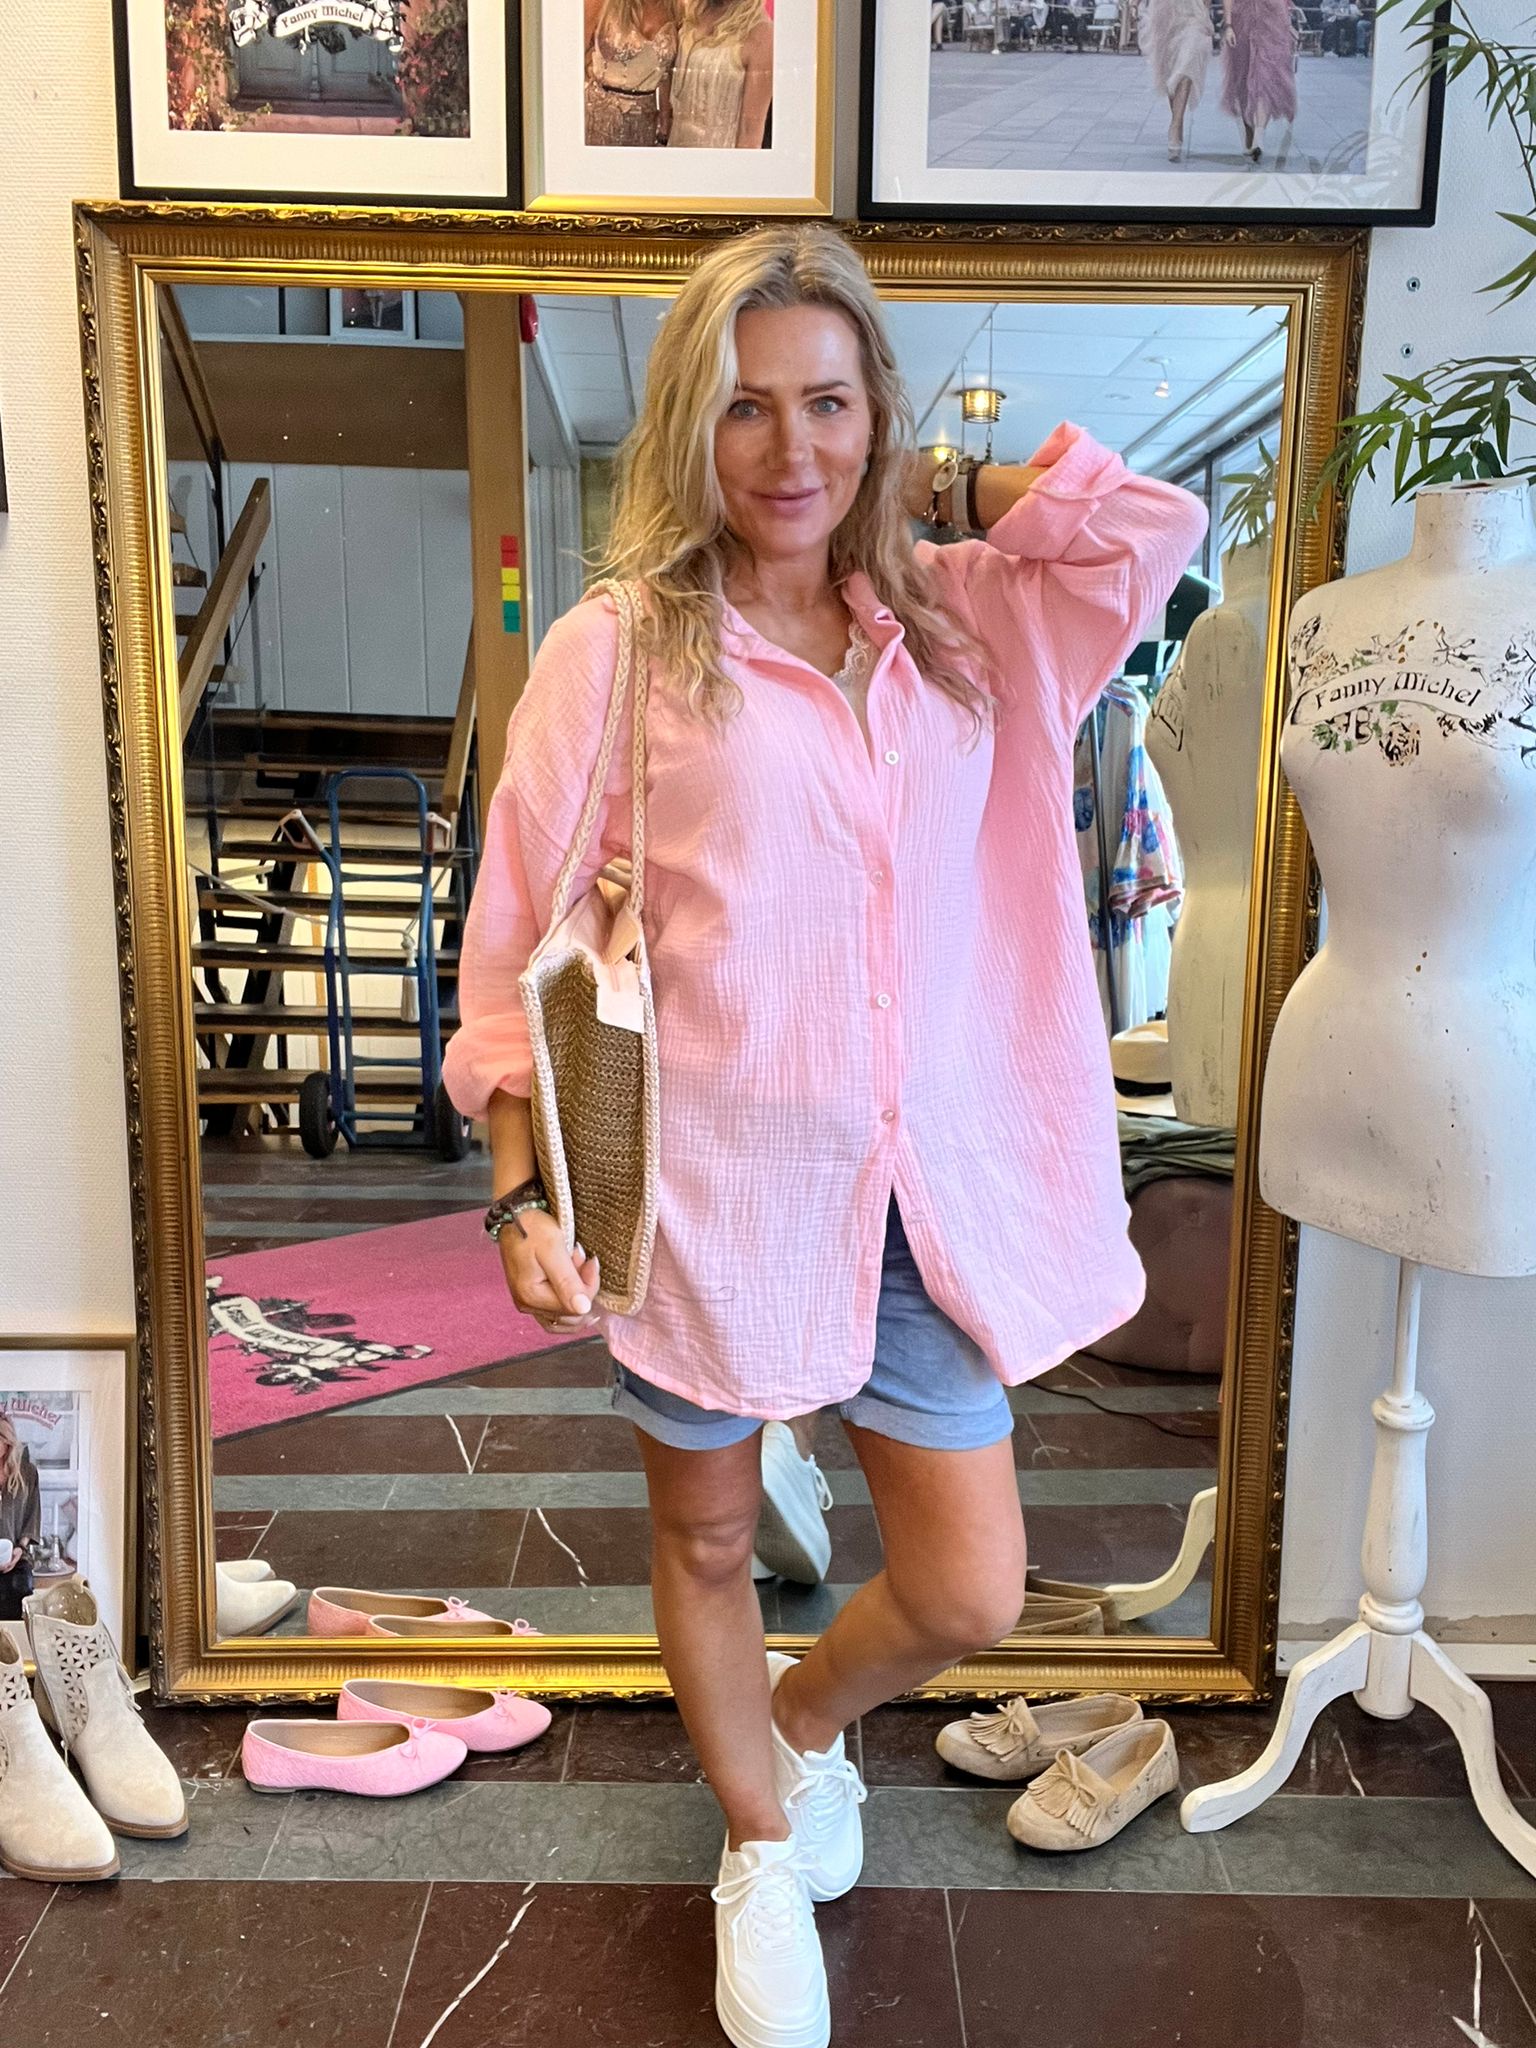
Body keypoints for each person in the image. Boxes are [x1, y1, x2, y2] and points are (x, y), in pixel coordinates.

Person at [444, 226, 1205, 2048]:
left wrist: (939, 490)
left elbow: (1149, 532)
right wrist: (518, 1195)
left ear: (880, 414)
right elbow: (519, 939)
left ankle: (796, 1721)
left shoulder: (972, 620)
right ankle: (762, 1845)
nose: (789, 450)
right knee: (708, 1540)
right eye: (743, 407)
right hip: (705, 1194)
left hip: (926, 1194)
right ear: (684, 428)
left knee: (968, 1582)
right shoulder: (618, 653)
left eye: (829, 404)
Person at [669, 0, 773, 149]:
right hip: (676, 149)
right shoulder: (694, 11)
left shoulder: (762, 33)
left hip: (720, 156)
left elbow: (750, 132)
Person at [583, 0, 680, 149]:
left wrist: (664, 122)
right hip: (598, 119)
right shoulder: (601, 3)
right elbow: (571, 58)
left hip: (645, 123)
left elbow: (666, 72)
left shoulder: (676, 9)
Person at [1220, 0, 1297, 159]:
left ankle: (1259, 135)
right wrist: (1228, 26)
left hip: (1272, 19)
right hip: (1241, 20)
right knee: (1242, 79)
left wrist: (1288, 24)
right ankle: (1251, 133)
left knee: (1266, 76)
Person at [1139, 0, 1213, 158]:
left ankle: (1176, 125)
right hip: (1165, 13)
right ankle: (1177, 119)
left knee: (1187, 64)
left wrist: (1206, 10)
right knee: (1171, 71)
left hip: (1194, 14)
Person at [0, 1415, 40, 1622]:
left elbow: (32, 1515)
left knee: (15, 1616)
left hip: (17, 1560)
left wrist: (20, 1549)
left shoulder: (27, 1473)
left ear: (8, 1442)